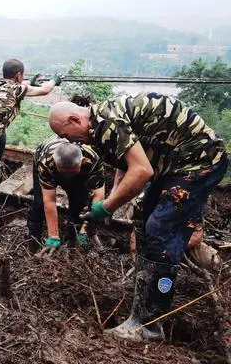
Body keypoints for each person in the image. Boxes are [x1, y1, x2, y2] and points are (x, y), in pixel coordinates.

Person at [48, 93, 228, 342]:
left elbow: (142, 171)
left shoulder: (105, 123)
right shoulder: (100, 123)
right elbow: (126, 164)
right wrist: (110, 200)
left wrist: (107, 208)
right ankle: (144, 294)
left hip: (200, 161)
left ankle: (150, 324)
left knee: (160, 229)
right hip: (173, 165)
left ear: (73, 119)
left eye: (66, 135)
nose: (68, 140)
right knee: (143, 218)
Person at [0, 59, 62, 239]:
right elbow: (45, 90)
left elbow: (14, 90)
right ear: (19, 75)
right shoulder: (17, 88)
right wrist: (55, 79)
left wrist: (28, 83)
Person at [29, 136, 105, 253]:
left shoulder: (92, 160)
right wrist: (53, 237)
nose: (67, 177)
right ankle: (34, 239)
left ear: (82, 160)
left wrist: (86, 228)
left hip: (80, 172)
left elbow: (98, 196)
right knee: (39, 204)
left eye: (71, 173)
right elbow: (49, 200)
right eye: (64, 173)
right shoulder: (45, 162)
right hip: (47, 164)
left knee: (79, 204)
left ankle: (72, 242)